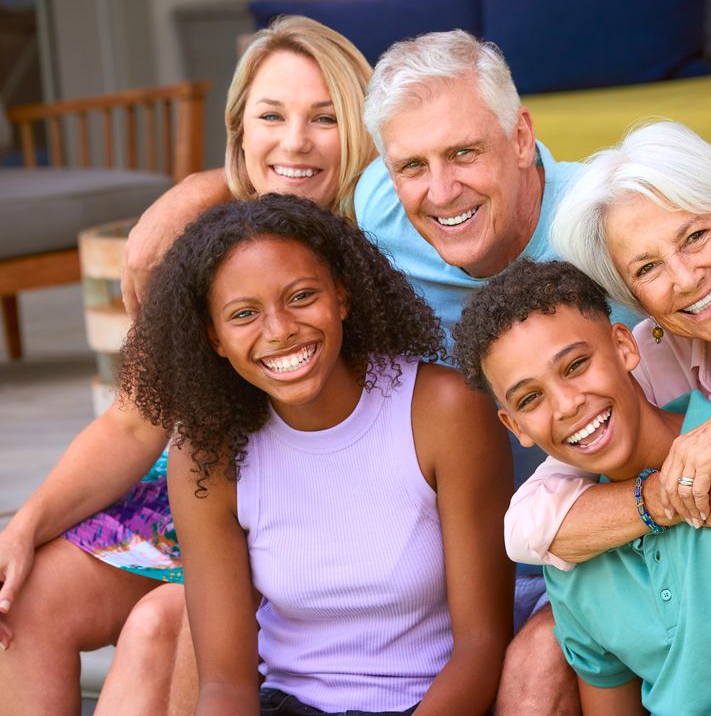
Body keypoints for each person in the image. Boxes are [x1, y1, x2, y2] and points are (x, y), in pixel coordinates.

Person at [118, 29, 711, 715]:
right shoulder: (384, 212)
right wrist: (197, 194)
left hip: (704, 521)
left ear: (521, 135)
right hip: (584, 537)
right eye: (411, 165)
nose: (441, 191)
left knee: (539, 658)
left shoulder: (608, 219)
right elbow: (529, 529)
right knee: (174, 628)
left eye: (465, 153)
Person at [0, 15, 375, 716]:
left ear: (361, 130)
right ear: (239, 131)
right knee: (20, 600)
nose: (294, 141)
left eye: (325, 118)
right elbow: (132, 423)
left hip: (301, 521)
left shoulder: (381, 242)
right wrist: (21, 527)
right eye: (272, 115)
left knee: (160, 625)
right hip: (192, 502)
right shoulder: (207, 245)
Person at [118, 193, 514, 715]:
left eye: (301, 296)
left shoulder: (444, 412)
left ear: (342, 297)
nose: (279, 330)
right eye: (244, 314)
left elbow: (481, 648)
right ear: (213, 337)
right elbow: (225, 685)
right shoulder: (207, 455)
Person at [453, 259, 711, 715]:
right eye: (530, 399)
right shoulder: (571, 550)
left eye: (576, 365)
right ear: (514, 425)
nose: (566, 405)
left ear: (623, 347)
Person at [504, 120, 711, 581]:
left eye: (695, 237)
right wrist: (667, 497)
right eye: (647, 268)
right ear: (632, 296)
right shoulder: (654, 353)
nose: (684, 279)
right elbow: (525, 527)